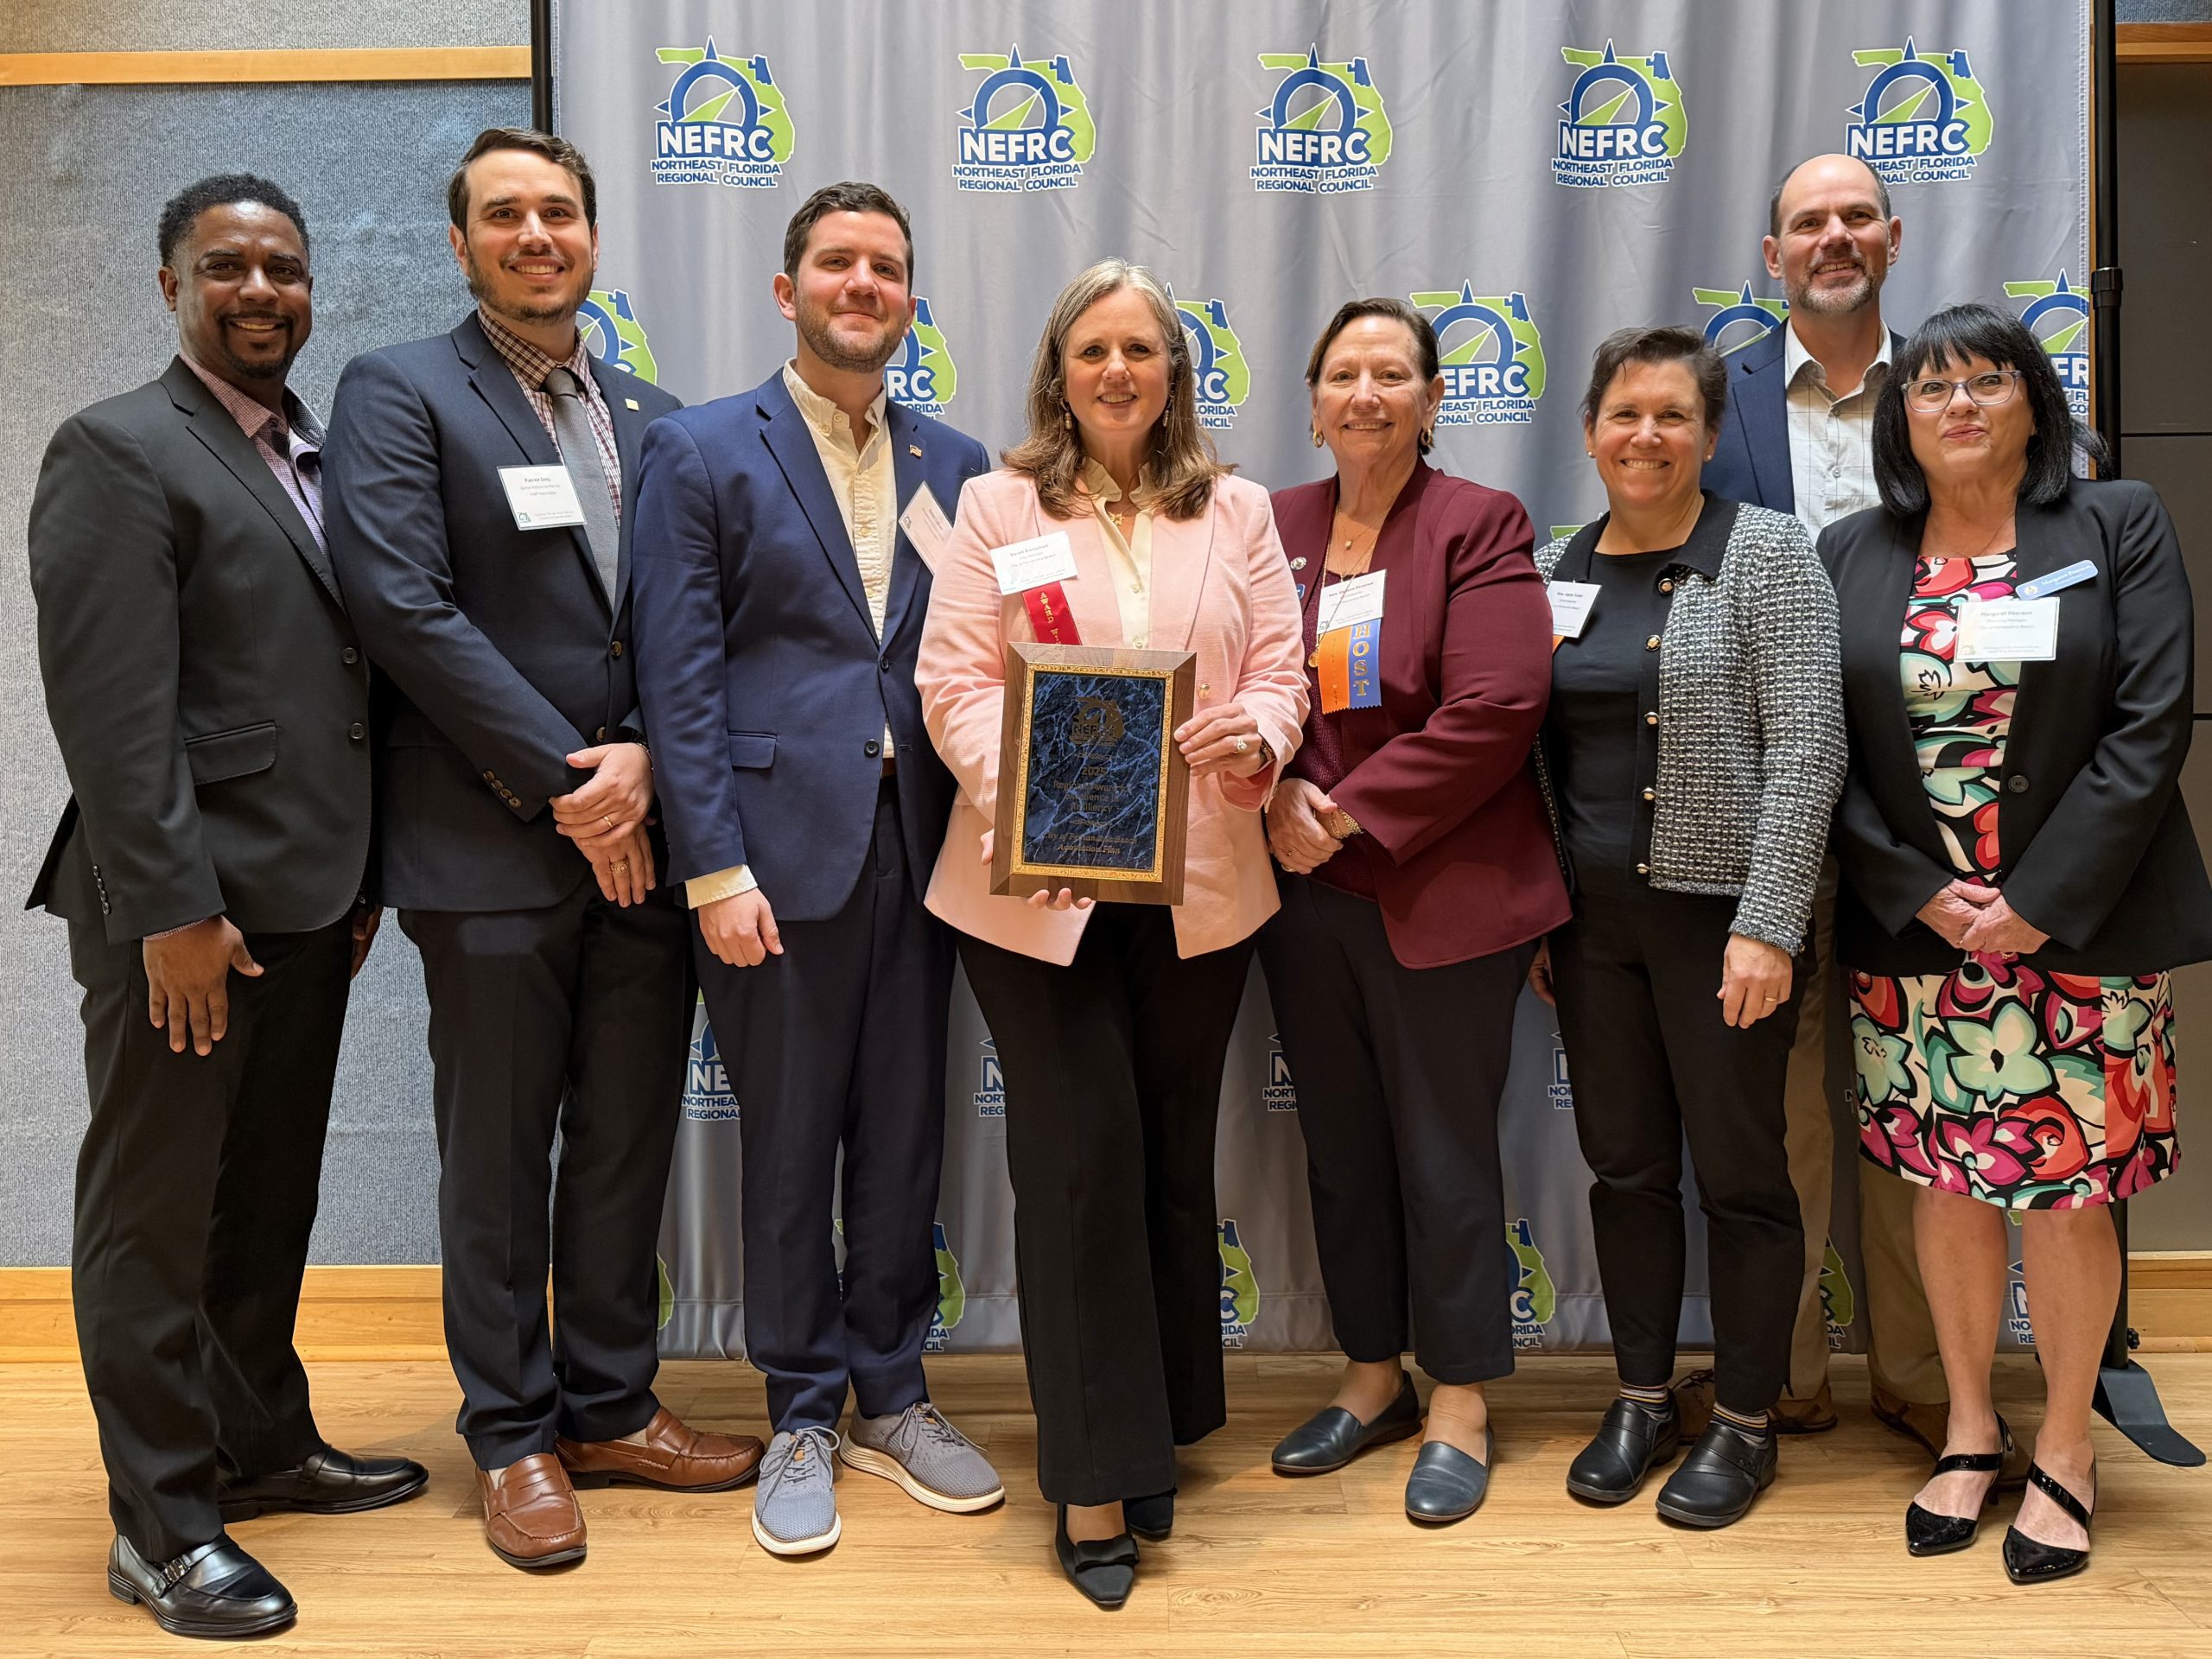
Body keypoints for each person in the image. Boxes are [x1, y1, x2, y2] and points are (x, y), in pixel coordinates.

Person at [322, 128, 761, 1573]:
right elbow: (403, 607)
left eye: (559, 212)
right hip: (496, 841)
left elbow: (690, 624)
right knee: (501, 1156)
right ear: (461, 245)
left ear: (592, 237)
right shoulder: (401, 391)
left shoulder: (654, 414)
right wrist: (575, 783)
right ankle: (513, 1433)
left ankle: (612, 1405)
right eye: (504, 214)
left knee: (627, 1140)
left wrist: (647, 763)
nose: (535, 234)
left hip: (646, 835)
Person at [27, 174, 423, 1639]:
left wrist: (364, 880)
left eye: (285, 269)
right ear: (171, 285)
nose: (262, 291)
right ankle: (161, 1526)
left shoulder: (318, 454)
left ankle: (258, 1442)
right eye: (228, 267)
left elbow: (343, 682)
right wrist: (170, 910)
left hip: (310, 902)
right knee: (154, 1218)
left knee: (264, 1199)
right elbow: (112, 712)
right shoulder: (118, 448)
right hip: (185, 920)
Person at [915, 259, 1306, 1606]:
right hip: (1035, 893)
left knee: (1167, 1164)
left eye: (1141, 348)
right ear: (1059, 371)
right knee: (1079, 1166)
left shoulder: (1239, 509)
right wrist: (1039, 798)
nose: (1117, 370)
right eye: (1093, 350)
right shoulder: (997, 505)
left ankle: (1157, 1432)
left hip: (1201, 887)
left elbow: (1280, 669)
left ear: (1175, 370)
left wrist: (1259, 732)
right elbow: (953, 680)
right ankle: (1092, 1485)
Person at [628, 181, 1001, 1558]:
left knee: (905, 1135)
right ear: (788, 291)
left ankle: (892, 1393)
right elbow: (676, 677)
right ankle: (799, 1408)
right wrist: (712, 870)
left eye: (886, 268)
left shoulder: (958, 462)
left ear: (910, 300)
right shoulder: (699, 449)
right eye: (837, 263)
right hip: (773, 861)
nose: (863, 284)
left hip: (925, 851)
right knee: (789, 1142)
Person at [1823, 301, 2212, 1583]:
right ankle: (1970, 1428)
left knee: (2068, 1195)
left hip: (2078, 930)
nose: (1960, 403)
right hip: (1921, 940)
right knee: (1946, 1185)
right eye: (1932, 387)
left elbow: (2151, 722)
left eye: (1988, 380)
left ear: (2035, 404)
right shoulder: (1851, 552)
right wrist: (1922, 894)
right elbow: (1823, 750)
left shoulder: (2116, 524)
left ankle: (2066, 1445)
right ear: (1902, 419)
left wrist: (2036, 901)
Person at [1257, 299, 1567, 1523]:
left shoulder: (1477, 522)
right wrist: (1274, 788)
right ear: (1313, 402)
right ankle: (1373, 1374)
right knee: (1341, 1150)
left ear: (1434, 400)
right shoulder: (1274, 523)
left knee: (1444, 1154)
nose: (1367, 394)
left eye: (1393, 374)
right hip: (1301, 898)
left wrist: (1341, 811)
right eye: (1344, 374)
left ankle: (1463, 1397)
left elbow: (1500, 706)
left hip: (1440, 893)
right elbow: (1238, 679)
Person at [1529, 326, 1844, 1529]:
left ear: (1710, 437)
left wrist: (1770, 923)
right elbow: (1534, 758)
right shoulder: (1556, 566)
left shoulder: (1766, 553)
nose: (1646, 436)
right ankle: (1642, 1395)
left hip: (1725, 935)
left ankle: (1750, 1418)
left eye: (1673, 416)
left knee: (1745, 1178)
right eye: (1625, 414)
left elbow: (1810, 746)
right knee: (1625, 1171)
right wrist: (1544, 915)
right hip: (1590, 934)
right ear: (1590, 432)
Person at [1704, 151, 1955, 1459]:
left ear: (1894, 239)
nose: (1835, 238)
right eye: (1809, 223)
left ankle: (1920, 1373)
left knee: (1917, 1098)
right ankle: (1785, 1371)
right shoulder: (1719, 396)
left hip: (1930, 806)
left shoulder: (1956, 387)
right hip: (1766, 801)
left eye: (1858, 217)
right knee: (1785, 1106)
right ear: (1773, 255)